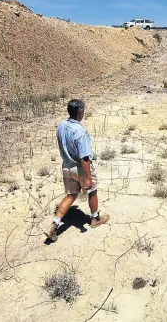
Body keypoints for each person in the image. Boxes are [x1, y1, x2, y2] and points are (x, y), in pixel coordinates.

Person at [44, 99, 110, 242]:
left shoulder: (61, 125)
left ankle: (55, 224)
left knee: (71, 195)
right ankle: (95, 219)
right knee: (92, 191)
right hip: (79, 168)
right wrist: (88, 177)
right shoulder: (80, 132)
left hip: (66, 166)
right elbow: (84, 157)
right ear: (80, 112)